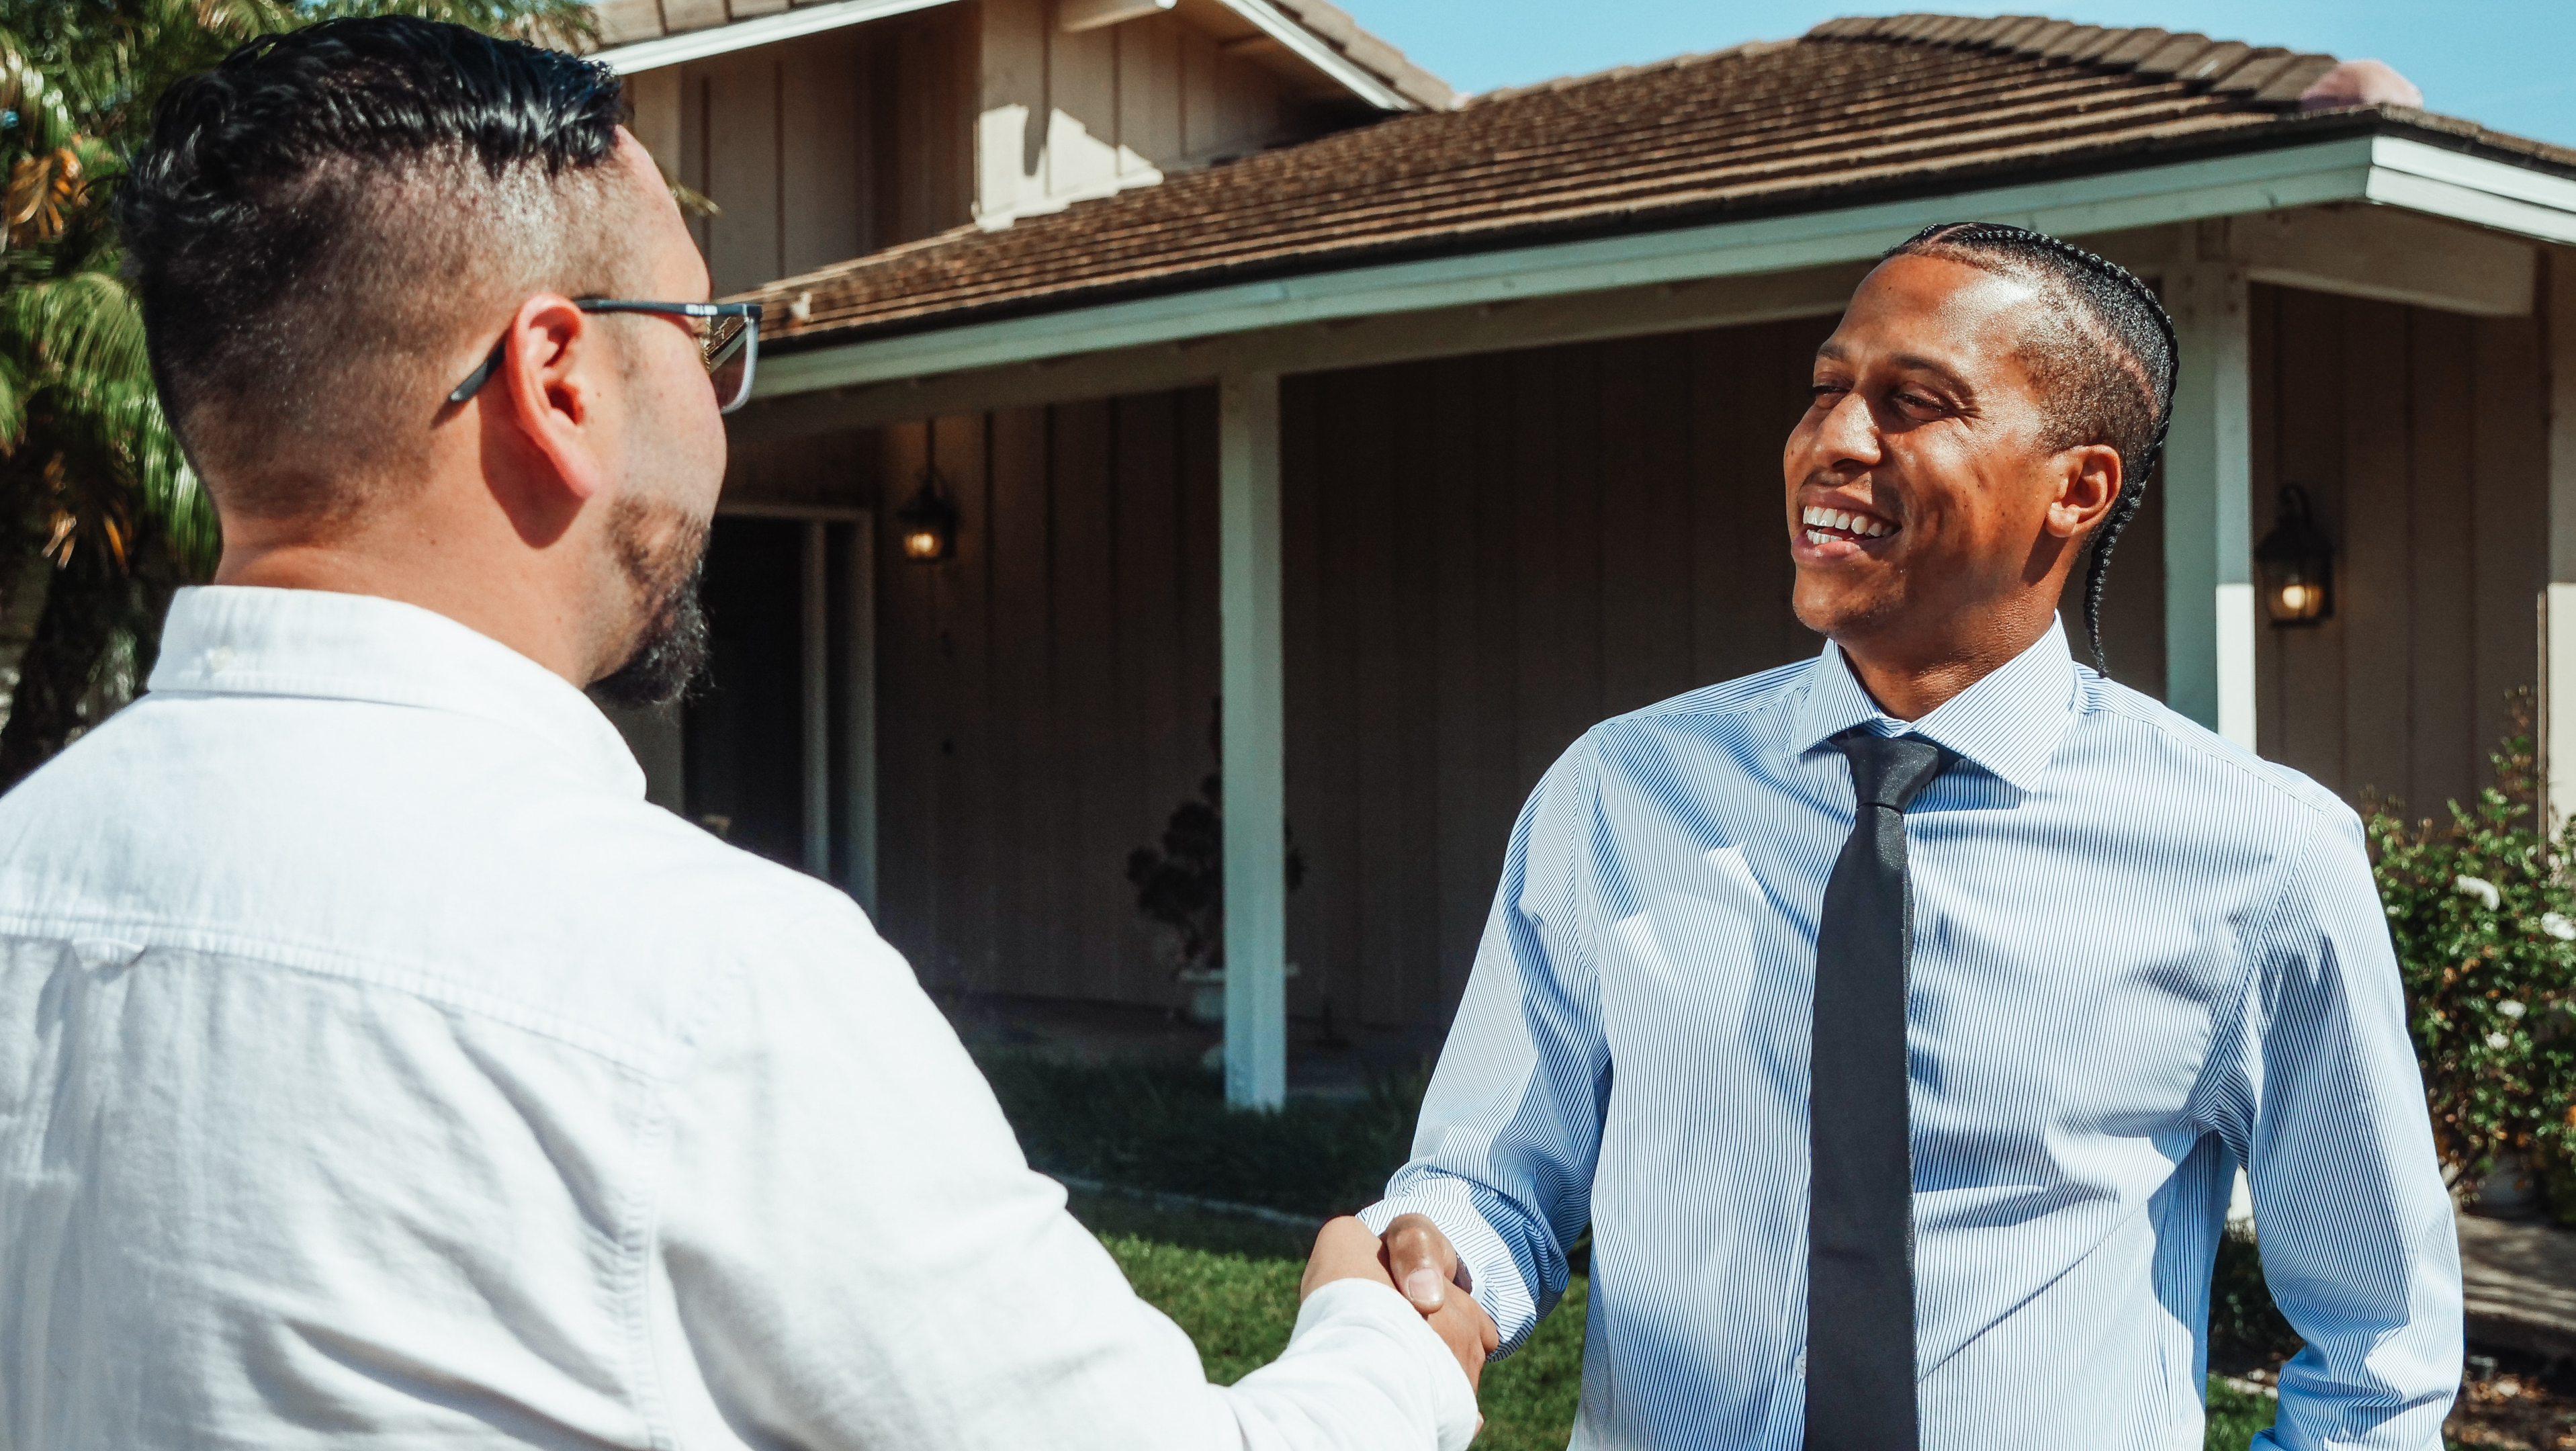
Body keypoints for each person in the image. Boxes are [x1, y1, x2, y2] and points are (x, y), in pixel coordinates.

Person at [0, 18, 1492, 1449]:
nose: (725, 409)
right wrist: (1385, 1350)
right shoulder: (704, 990)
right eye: (709, 337)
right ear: (560, 378)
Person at [1362, 224, 2462, 1448]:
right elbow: (1491, 1182)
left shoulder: (2262, 854)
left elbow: (2380, 1348)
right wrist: (1436, 1266)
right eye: (1825, 390)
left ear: (2077, 487)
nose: (1831, 441)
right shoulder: (1622, 792)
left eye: (1912, 403)